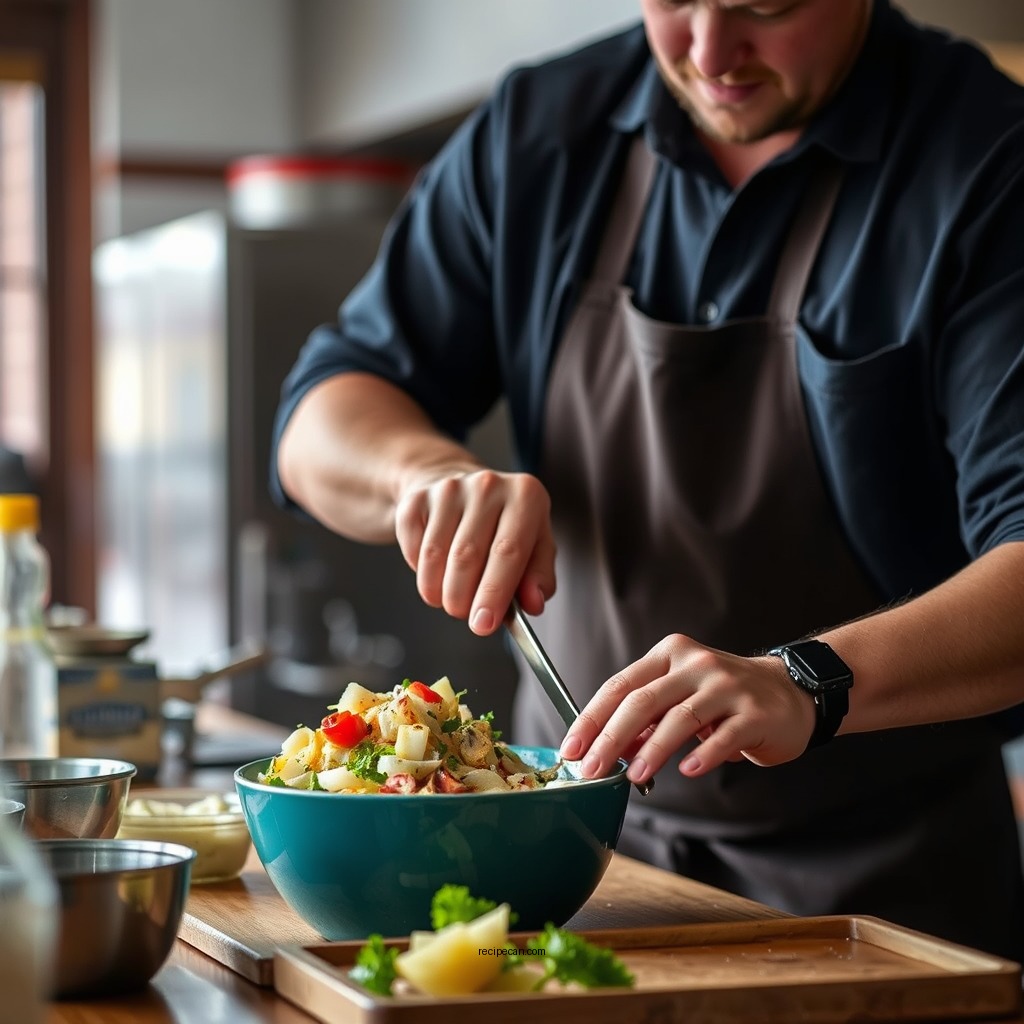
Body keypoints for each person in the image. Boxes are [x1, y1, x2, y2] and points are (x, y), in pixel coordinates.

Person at [271, 0, 1024, 961]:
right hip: (562, 869)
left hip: (877, 896)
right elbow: (319, 415)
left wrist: (808, 681)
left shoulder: (991, 162)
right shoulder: (542, 129)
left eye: (767, 6)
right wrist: (424, 473)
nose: (710, 53)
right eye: (674, 1)